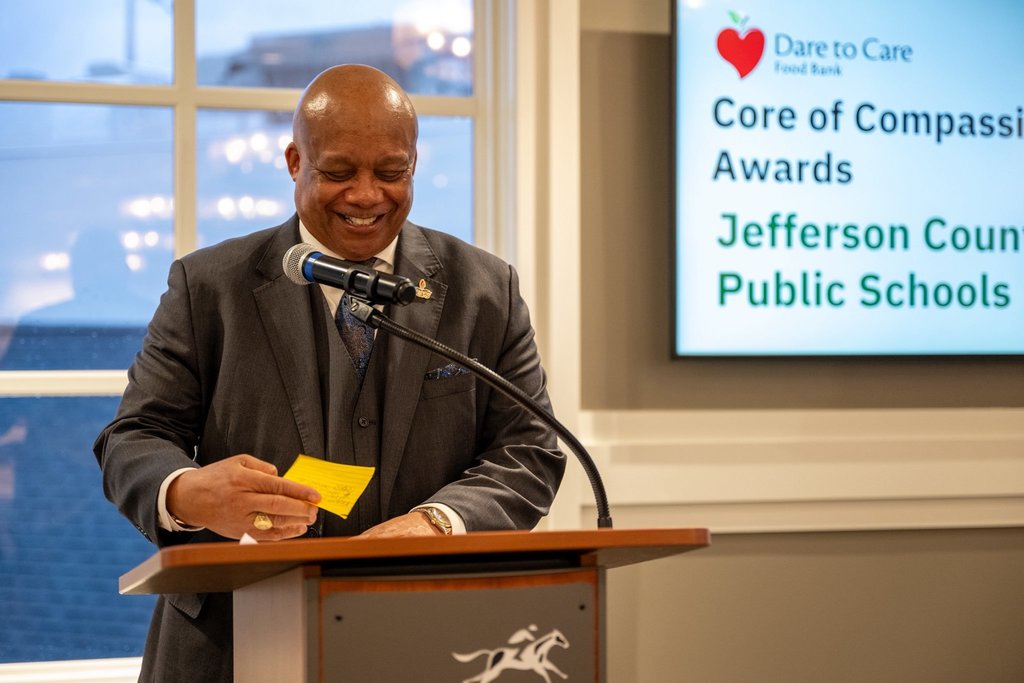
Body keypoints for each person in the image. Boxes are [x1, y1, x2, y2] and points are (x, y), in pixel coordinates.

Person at [93, 64, 565, 682]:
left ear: (414, 163)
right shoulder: (207, 285)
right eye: (339, 172)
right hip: (230, 643)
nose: (366, 194)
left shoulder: (486, 289)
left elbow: (530, 451)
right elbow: (133, 438)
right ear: (295, 161)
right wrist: (188, 493)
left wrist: (437, 524)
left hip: (433, 636)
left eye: (391, 172)